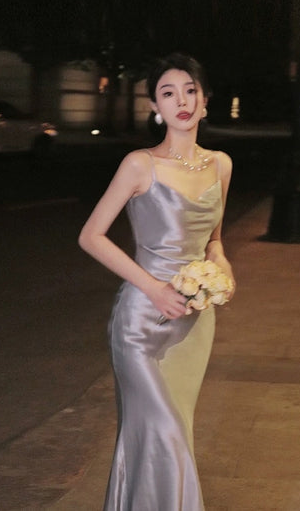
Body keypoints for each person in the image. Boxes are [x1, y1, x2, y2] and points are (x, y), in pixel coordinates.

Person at [78, 52, 235, 511]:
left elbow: (214, 239)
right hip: (141, 322)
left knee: (171, 432)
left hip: (194, 323)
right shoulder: (139, 164)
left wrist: (221, 266)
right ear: (155, 107)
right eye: (168, 93)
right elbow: (91, 236)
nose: (181, 101)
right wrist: (153, 288)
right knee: (164, 433)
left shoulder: (220, 165)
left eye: (190, 91)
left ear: (205, 101)